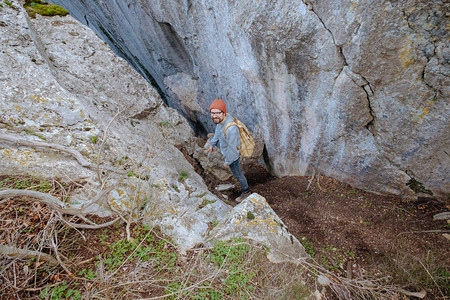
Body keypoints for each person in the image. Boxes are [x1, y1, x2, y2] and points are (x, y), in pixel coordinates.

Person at [208, 99, 251, 203]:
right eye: (213, 113)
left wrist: (227, 162)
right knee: (211, 138)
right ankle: (211, 140)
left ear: (224, 113)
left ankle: (246, 192)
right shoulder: (220, 121)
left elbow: (233, 150)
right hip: (225, 146)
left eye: (218, 113)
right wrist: (212, 144)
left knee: (238, 174)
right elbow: (218, 131)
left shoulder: (231, 129)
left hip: (232, 155)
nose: (215, 116)